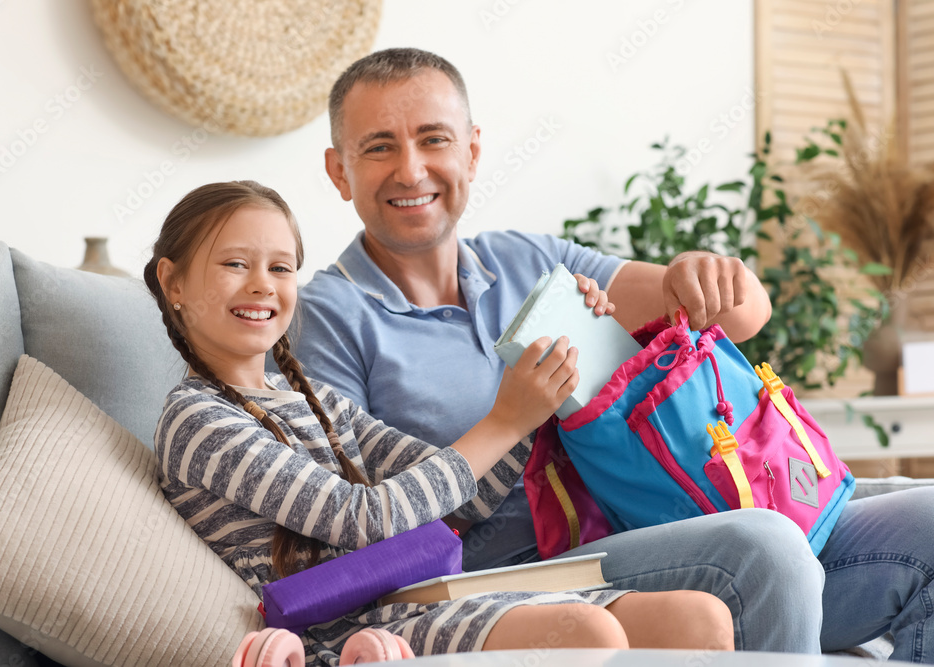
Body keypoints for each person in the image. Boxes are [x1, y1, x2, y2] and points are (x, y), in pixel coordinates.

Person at [293, 47, 934, 662]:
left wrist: (704, 273)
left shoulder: (527, 261)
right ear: (338, 170)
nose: (410, 170)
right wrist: (510, 419)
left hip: (643, 519)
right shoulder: (326, 317)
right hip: (515, 577)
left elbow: (741, 317)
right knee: (765, 545)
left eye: (434, 139)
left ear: (473, 150)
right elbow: (354, 525)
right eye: (379, 146)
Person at [143, 180, 735, 666]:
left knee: (698, 617)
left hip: (419, 597)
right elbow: (363, 520)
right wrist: (505, 419)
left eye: (280, 267)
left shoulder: (311, 396)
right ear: (173, 283)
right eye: (234, 264)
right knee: (593, 635)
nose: (261, 285)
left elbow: (458, 497)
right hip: (349, 630)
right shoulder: (199, 420)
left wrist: (552, 374)